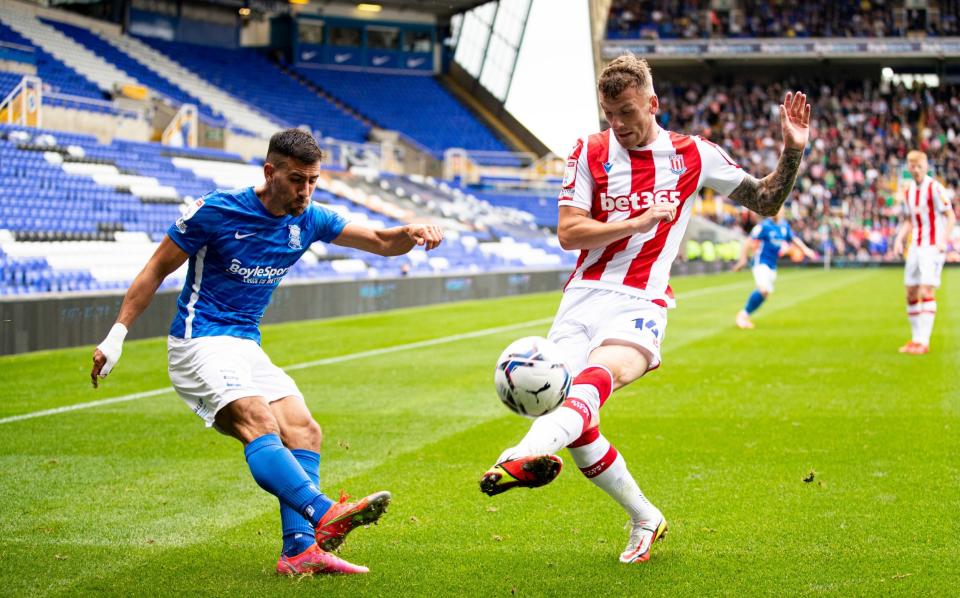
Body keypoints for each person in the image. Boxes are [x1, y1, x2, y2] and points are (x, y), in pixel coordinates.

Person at [478, 54, 809, 564]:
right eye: (610, 114)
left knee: (594, 381)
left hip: (642, 300)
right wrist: (633, 223)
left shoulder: (693, 155)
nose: (619, 125)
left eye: (628, 112)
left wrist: (792, 151)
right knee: (577, 420)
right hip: (582, 296)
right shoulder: (588, 151)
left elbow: (765, 200)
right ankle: (645, 517)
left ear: (652, 104)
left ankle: (519, 454)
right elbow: (569, 232)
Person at [89, 129, 443, 575]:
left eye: (313, 180)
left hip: (245, 344)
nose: (306, 191)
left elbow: (381, 241)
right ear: (270, 171)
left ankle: (299, 553)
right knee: (260, 420)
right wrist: (117, 335)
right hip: (200, 341)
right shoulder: (216, 210)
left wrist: (411, 231)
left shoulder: (309, 217)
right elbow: (156, 269)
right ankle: (324, 513)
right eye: (297, 180)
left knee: (303, 430)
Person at [893, 150, 955, 354]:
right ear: (909, 168)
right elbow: (910, 219)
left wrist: (942, 242)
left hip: (932, 247)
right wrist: (899, 239)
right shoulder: (909, 191)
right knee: (910, 291)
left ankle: (924, 342)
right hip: (916, 246)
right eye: (913, 166)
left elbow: (951, 216)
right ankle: (915, 339)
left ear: (926, 166)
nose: (917, 170)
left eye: (920, 166)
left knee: (926, 290)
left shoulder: (935, 188)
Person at [733, 207, 817, 329]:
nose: (776, 211)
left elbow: (794, 239)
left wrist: (805, 250)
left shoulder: (784, 226)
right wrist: (743, 259)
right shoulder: (764, 226)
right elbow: (748, 242)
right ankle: (742, 316)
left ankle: (745, 315)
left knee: (765, 294)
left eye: (779, 209)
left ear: (782, 211)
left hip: (772, 266)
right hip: (761, 263)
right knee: (763, 290)